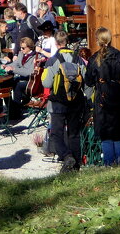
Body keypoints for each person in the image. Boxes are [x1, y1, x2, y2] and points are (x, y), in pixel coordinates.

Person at [84, 27, 120, 166]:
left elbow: (88, 80)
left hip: (103, 99)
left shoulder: (95, 58)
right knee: (118, 129)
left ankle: (108, 162)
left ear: (97, 40)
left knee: (105, 132)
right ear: (110, 39)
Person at [41, 30, 87, 171]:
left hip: (58, 103)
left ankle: (67, 157)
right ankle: (76, 165)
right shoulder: (78, 59)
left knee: (56, 133)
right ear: (67, 41)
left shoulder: (53, 60)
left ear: (56, 43)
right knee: (74, 133)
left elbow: (46, 83)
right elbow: (86, 81)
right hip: (75, 101)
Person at [6, 37, 38, 114]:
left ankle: (16, 110)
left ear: (29, 47)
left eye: (23, 48)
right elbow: (16, 63)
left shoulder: (35, 56)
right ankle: (10, 106)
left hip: (31, 81)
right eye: (20, 47)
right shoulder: (21, 54)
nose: (21, 49)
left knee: (18, 85)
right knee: (8, 82)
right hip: (22, 78)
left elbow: (28, 72)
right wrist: (7, 66)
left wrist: (13, 69)